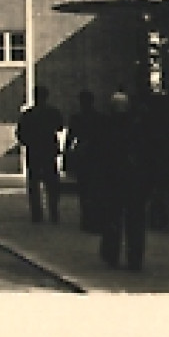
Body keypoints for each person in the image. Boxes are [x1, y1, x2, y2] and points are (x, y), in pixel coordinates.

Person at [96, 90, 152, 270]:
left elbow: (101, 155)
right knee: (135, 219)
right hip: (135, 180)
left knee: (113, 217)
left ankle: (111, 253)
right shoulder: (137, 126)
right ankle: (135, 257)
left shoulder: (106, 126)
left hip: (113, 179)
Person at [16, 85, 65, 223]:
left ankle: (36, 214)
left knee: (34, 184)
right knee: (52, 183)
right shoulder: (53, 112)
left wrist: (28, 142)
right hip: (49, 151)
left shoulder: (28, 115)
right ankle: (54, 212)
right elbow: (60, 126)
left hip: (34, 151)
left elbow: (20, 133)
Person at [63, 90, 102, 233]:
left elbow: (70, 137)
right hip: (95, 155)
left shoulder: (76, 118)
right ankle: (93, 218)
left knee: (84, 189)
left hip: (83, 155)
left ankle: (86, 218)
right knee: (94, 188)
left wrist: (67, 154)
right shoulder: (99, 118)